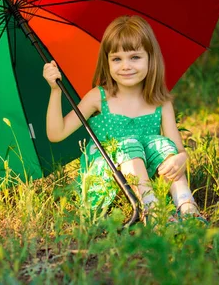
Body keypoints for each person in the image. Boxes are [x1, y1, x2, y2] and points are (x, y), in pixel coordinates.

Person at [42, 15, 206, 224]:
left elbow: (178, 149)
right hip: (107, 177)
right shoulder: (98, 98)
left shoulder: (160, 102)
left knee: (161, 144)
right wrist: (55, 91)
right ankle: (153, 211)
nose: (125, 66)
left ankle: (187, 207)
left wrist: (181, 158)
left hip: (149, 177)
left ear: (150, 58)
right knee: (129, 144)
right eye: (117, 59)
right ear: (107, 62)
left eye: (135, 57)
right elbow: (56, 134)